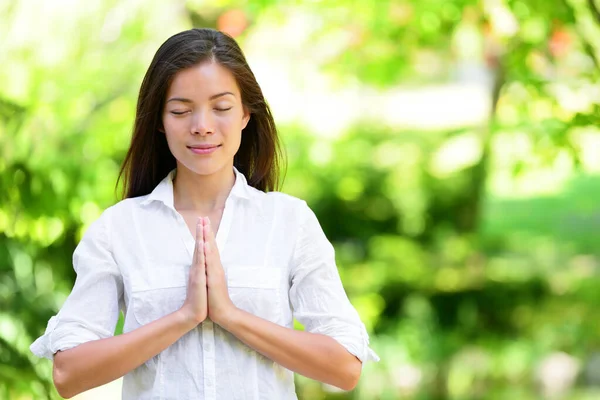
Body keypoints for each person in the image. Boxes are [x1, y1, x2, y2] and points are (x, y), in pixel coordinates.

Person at [30, 28, 379, 400]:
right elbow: (68, 374)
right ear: (160, 120)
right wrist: (183, 317)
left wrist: (230, 315)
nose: (202, 126)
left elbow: (344, 366)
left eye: (222, 108)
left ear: (246, 113)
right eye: (181, 110)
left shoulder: (289, 222)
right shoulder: (119, 228)